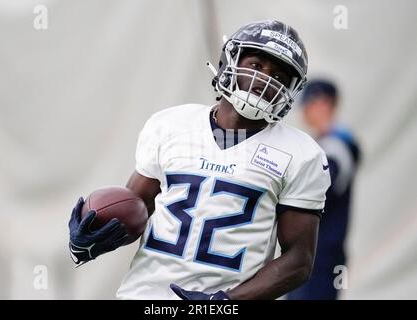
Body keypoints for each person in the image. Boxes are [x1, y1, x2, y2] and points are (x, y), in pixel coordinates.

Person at [68, 20, 331, 300]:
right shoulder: (170, 124)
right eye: (256, 66)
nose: (264, 80)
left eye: (278, 76)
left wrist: (226, 302)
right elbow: (134, 209)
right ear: (231, 61)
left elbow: (299, 259)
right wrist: (91, 236)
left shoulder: (301, 153)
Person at [287, 79, 361, 300]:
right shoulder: (331, 144)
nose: (304, 112)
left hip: (320, 255)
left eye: (307, 104)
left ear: (322, 104)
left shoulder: (336, 147)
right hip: (325, 253)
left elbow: (317, 192)